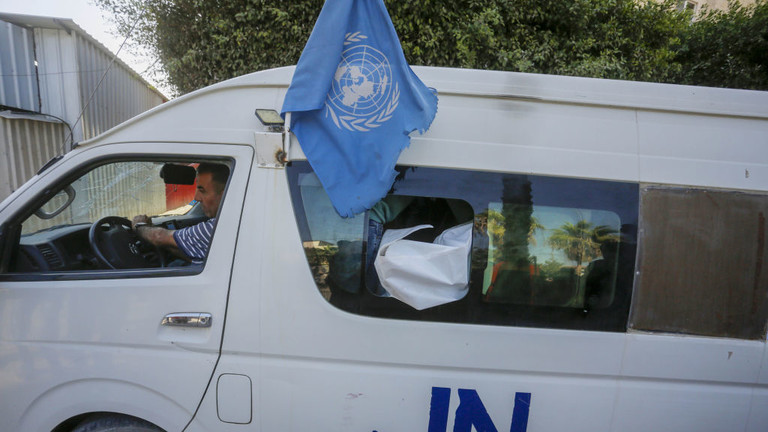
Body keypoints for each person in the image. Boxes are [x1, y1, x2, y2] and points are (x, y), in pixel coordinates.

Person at [132, 163, 230, 264]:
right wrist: (169, 245)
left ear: (225, 195)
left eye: (202, 190)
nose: (196, 197)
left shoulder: (217, 229)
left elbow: (158, 236)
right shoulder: (232, 225)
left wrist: (139, 226)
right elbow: (193, 253)